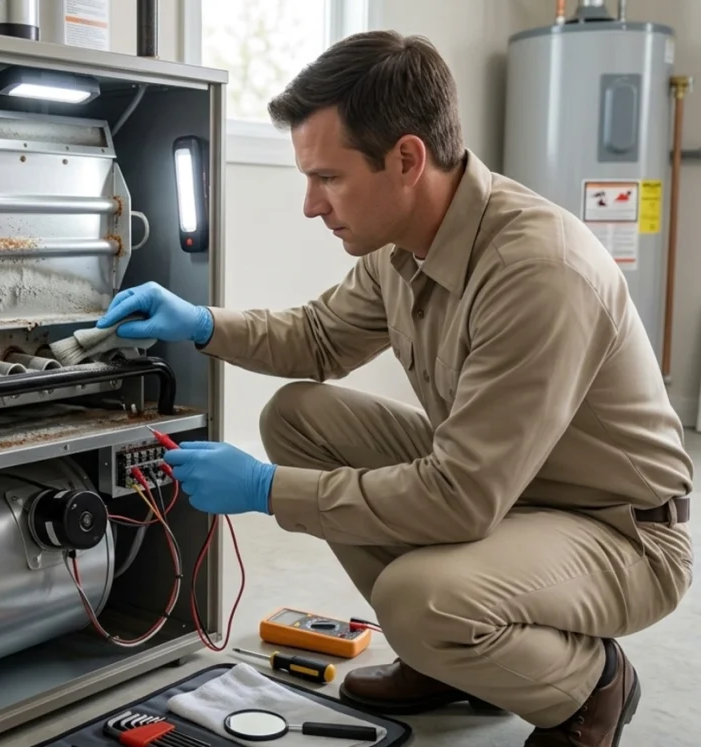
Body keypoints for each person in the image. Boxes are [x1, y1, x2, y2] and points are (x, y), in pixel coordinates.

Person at [95, 29, 693, 747]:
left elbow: (463, 497)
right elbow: (317, 338)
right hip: (513, 488)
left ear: (407, 158)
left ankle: (591, 684)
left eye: (328, 178)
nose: (311, 205)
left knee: (420, 600)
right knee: (299, 418)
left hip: (617, 528)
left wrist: (264, 489)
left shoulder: (538, 270)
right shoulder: (401, 247)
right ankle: (458, 662)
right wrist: (199, 322)